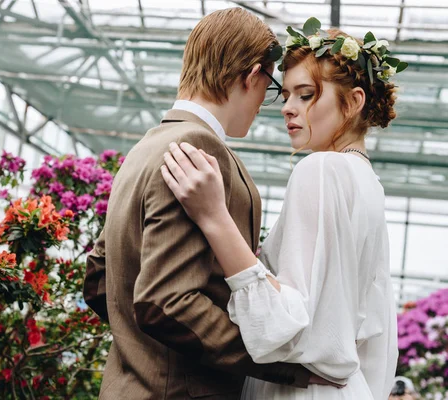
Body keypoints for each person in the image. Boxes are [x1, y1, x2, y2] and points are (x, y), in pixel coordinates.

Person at [83, 7, 326, 399]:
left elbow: (98, 279)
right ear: (252, 76)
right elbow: (167, 302)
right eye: (272, 86)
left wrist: (139, 350)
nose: (270, 100)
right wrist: (278, 363)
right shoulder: (198, 148)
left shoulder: (146, 147)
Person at [161, 24, 401, 399]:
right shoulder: (369, 184)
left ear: (353, 102)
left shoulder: (321, 169)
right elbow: (378, 336)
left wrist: (214, 216)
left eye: (306, 95)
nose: (287, 107)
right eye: (285, 94)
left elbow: (282, 323)